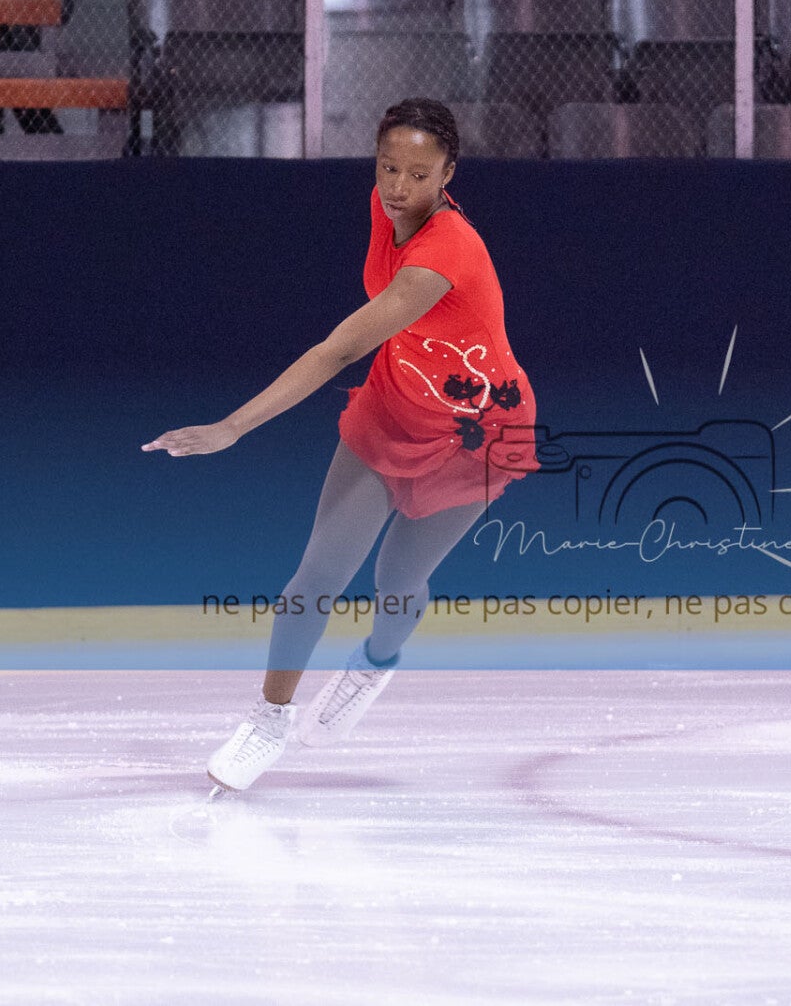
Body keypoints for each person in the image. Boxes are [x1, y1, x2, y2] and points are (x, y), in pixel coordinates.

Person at [141, 97, 539, 795]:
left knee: (398, 580)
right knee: (319, 573)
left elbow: (338, 349)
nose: (399, 187)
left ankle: (374, 664)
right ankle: (268, 719)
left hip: (476, 434)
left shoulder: (444, 253)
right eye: (388, 168)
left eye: (419, 174)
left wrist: (233, 426)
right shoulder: (385, 208)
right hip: (393, 408)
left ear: (449, 173)